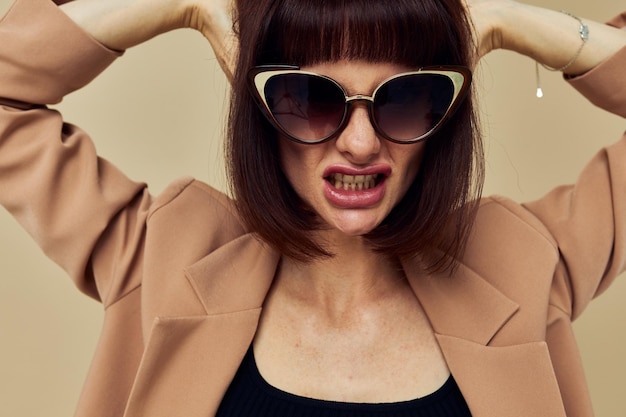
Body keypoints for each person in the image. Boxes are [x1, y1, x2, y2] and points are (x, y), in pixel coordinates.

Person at [0, 0, 624, 416]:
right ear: (261, 109)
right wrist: (185, 5)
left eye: (406, 98)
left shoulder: (525, 262)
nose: (359, 144)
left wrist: (505, 23)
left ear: (445, 112)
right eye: (309, 99)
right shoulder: (162, 254)